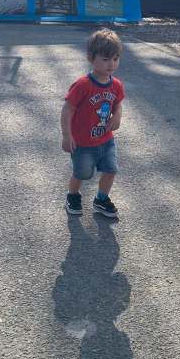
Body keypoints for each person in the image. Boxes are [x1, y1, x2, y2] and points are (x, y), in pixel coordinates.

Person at [60, 29, 124, 219]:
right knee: (82, 173)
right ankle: (72, 196)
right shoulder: (82, 85)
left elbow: (118, 103)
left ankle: (101, 199)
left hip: (106, 140)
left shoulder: (116, 85)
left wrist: (117, 116)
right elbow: (67, 110)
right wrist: (67, 135)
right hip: (83, 143)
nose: (111, 64)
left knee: (111, 170)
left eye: (115, 58)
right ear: (90, 58)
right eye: (105, 59)